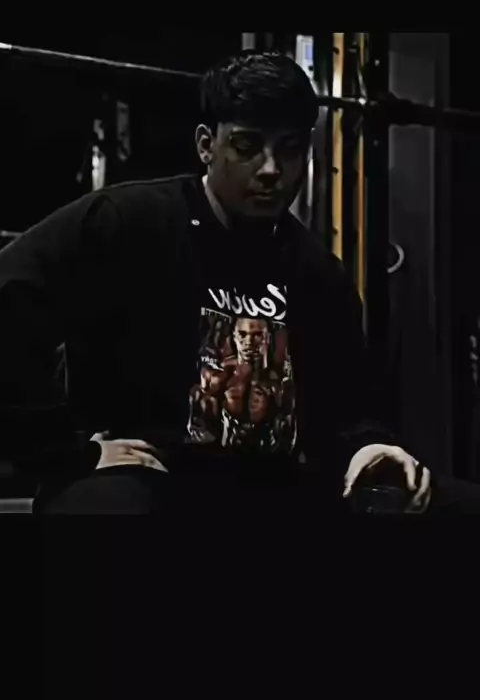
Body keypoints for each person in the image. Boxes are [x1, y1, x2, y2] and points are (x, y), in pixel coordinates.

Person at [0, 49, 455, 514]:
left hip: (268, 492)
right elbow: (10, 295)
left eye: (289, 149)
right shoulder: (128, 222)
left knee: (445, 503)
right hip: (143, 480)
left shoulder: (317, 271)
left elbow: (349, 405)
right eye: (246, 146)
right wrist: (65, 451)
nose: (271, 169)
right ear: (206, 145)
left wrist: (369, 447)